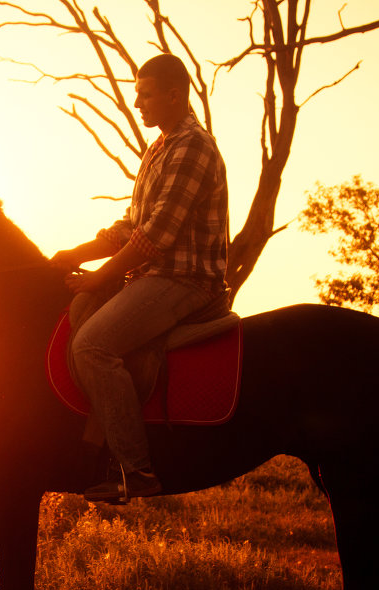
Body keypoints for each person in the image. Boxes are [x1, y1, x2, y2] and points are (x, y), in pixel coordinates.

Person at [50, 53, 230, 503]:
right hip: (155, 273)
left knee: (92, 345)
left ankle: (135, 469)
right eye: (137, 93)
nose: (137, 102)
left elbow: (158, 236)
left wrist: (99, 277)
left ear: (174, 95)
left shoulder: (193, 146)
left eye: (145, 94)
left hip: (186, 279)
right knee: (80, 314)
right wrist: (78, 252)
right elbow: (132, 225)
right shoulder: (158, 148)